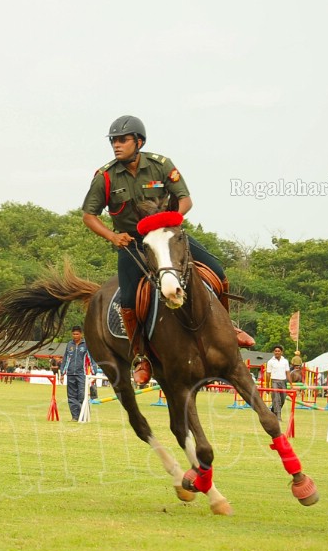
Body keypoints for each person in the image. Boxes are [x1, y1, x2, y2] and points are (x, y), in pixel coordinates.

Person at [82, 115, 254, 383]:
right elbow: (89, 216)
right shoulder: (105, 176)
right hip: (134, 244)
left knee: (218, 271)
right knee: (128, 299)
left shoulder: (162, 165)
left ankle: (228, 329)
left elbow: (185, 200)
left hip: (168, 236)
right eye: (114, 141)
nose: (117, 145)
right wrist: (112, 237)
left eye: (123, 140)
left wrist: (174, 220)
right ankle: (140, 356)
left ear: (139, 141)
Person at [60, 325, 91, 421]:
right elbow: (65, 359)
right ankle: (74, 416)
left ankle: (83, 416)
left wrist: (93, 374)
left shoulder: (86, 345)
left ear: (81, 334)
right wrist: (62, 373)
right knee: (71, 396)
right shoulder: (69, 345)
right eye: (73, 334)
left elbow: (91, 359)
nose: (75, 336)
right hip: (70, 374)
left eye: (77, 334)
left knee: (82, 395)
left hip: (82, 374)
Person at [265, 345, 290, 417]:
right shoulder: (270, 362)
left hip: (283, 382)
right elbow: (268, 374)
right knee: (276, 399)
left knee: (282, 399)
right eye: (275, 351)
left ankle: (272, 411)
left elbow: (288, 372)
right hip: (274, 382)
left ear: (281, 352)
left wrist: (291, 384)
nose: (277, 352)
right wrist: (267, 386)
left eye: (278, 351)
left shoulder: (285, 361)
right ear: (273, 352)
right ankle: (278, 416)